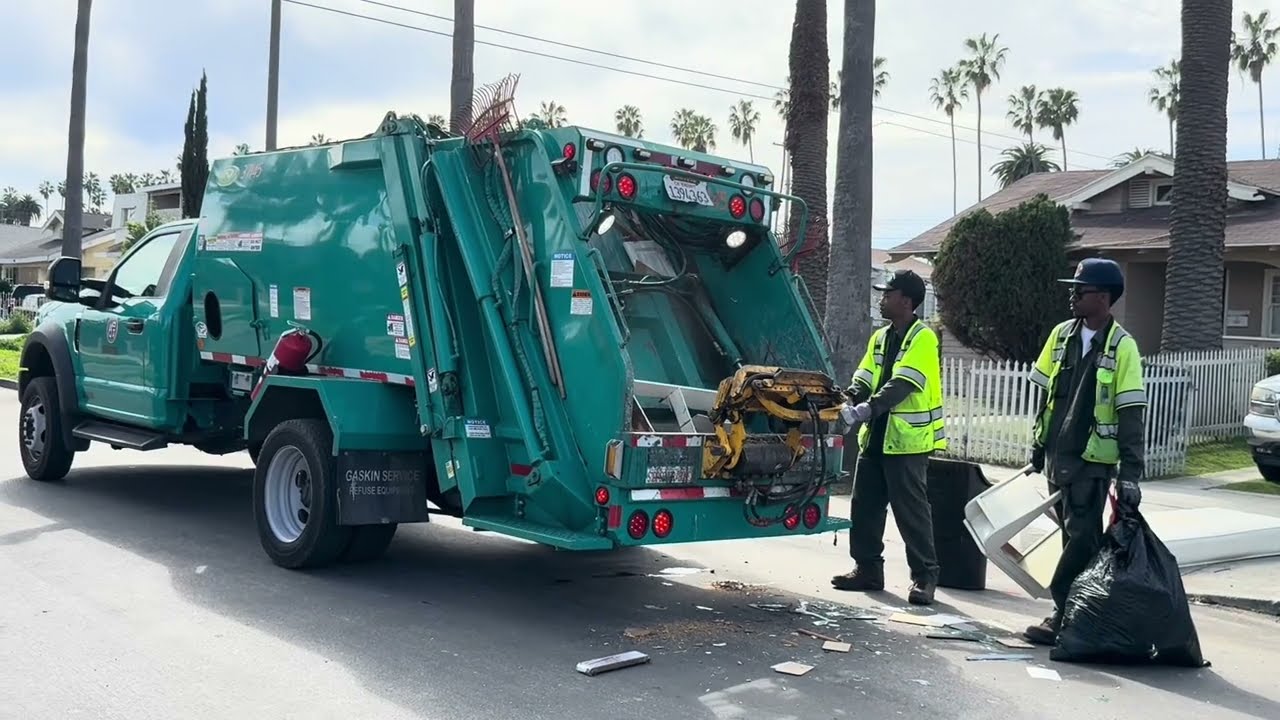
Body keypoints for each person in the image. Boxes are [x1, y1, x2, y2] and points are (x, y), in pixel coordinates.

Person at [1021, 257, 1147, 645]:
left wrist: (1130, 473)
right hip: (1058, 458)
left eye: (1081, 290)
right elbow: (1046, 395)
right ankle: (1080, 613)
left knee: (1082, 540)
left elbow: (1130, 412)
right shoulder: (1062, 335)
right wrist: (1038, 446)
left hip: (1092, 461)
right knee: (1072, 537)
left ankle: (1063, 613)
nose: (1073, 296)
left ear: (1104, 297)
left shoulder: (1123, 346)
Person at [832, 268, 947, 606]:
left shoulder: (923, 338)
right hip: (877, 438)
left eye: (887, 293)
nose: (881, 299)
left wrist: (865, 410)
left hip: (907, 443)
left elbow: (904, 384)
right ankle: (867, 568)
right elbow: (866, 374)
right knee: (865, 507)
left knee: (911, 512)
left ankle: (925, 577)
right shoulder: (881, 337)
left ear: (907, 301)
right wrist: (850, 397)